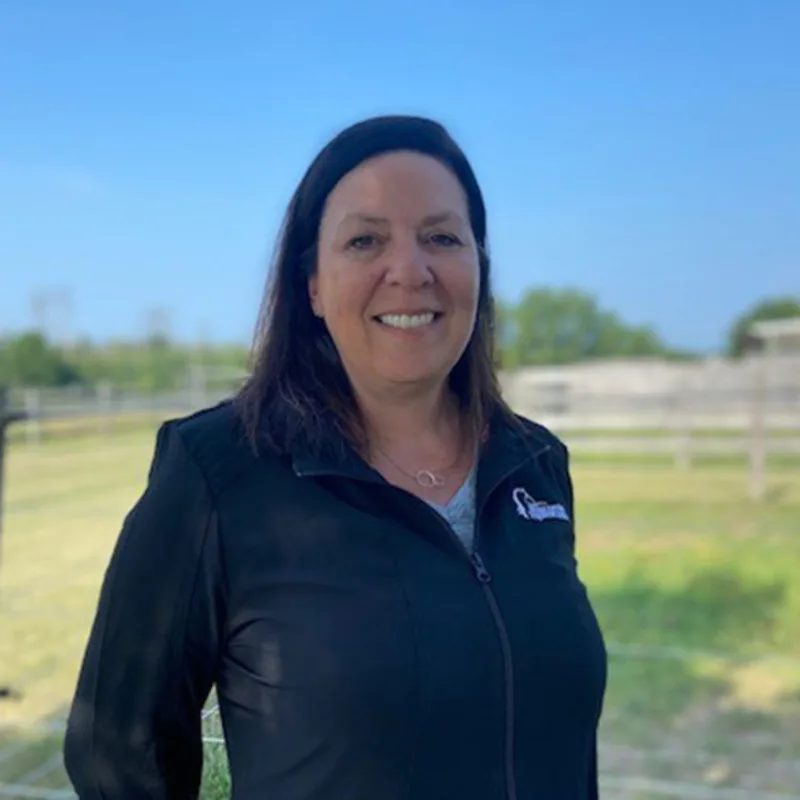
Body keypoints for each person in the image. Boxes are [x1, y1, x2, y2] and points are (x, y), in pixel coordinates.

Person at [64, 115, 607, 799]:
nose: (410, 271)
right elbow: (118, 760)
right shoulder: (216, 474)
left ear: (479, 264)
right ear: (313, 285)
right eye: (364, 240)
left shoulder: (536, 465)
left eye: (441, 236)